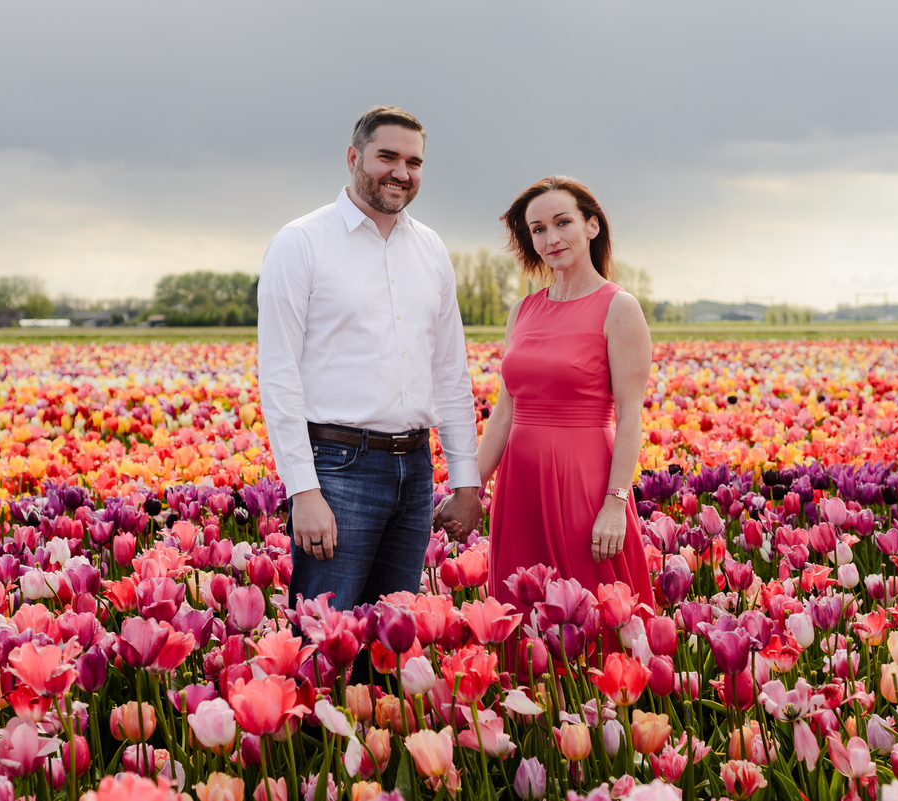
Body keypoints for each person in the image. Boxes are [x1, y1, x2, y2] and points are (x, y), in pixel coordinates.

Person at [257, 106, 483, 616]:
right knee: (326, 635)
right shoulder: (301, 243)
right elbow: (278, 375)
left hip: (414, 465)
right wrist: (304, 492)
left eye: (414, 162)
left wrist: (466, 483)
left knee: (391, 637)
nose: (402, 172)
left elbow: (450, 373)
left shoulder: (430, 249)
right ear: (354, 156)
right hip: (339, 468)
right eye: (388, 156)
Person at [474, 176, 655, 624]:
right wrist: (467, 486)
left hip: (584, 483)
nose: (550, 238)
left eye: (562, 223)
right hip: (520, 485)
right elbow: (504, 411)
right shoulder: (522, 310)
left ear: (592, 226)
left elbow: (631, 416)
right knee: (520, 612)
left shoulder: (619, 307)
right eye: (537, 229)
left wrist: (615, 502)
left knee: (587, 611)